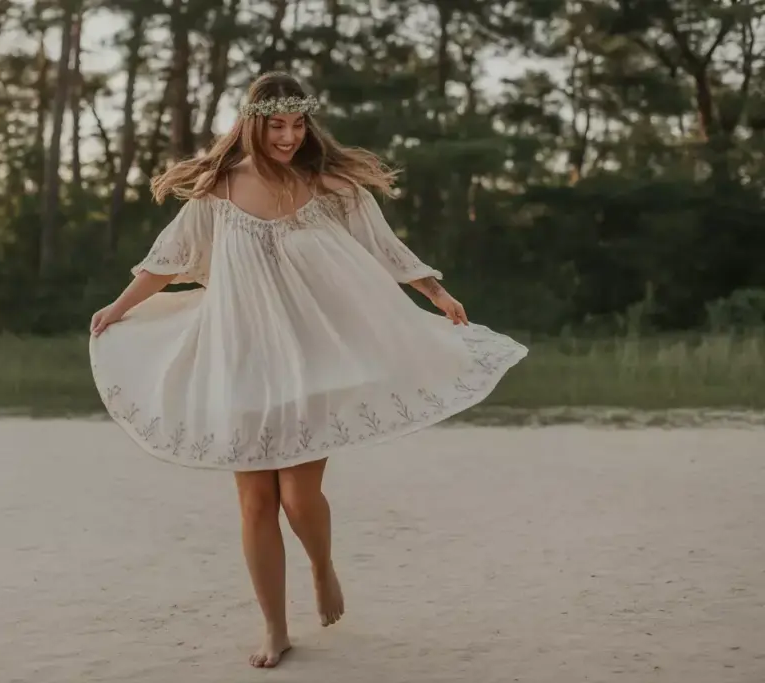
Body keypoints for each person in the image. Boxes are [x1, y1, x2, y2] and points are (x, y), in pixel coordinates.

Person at [89, 71, 527, 668]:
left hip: (310, 360)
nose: (291, 137)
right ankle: (274, 627)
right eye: (278, 127)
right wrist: (117, 308)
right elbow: (166, 262)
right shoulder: (217, 192)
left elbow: (383, 249)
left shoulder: (331, 187)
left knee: (298, 497)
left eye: (298, 125)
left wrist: (436, 294)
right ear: (253, 124)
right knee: (253, 505)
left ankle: (322, 568)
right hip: (239, 357)